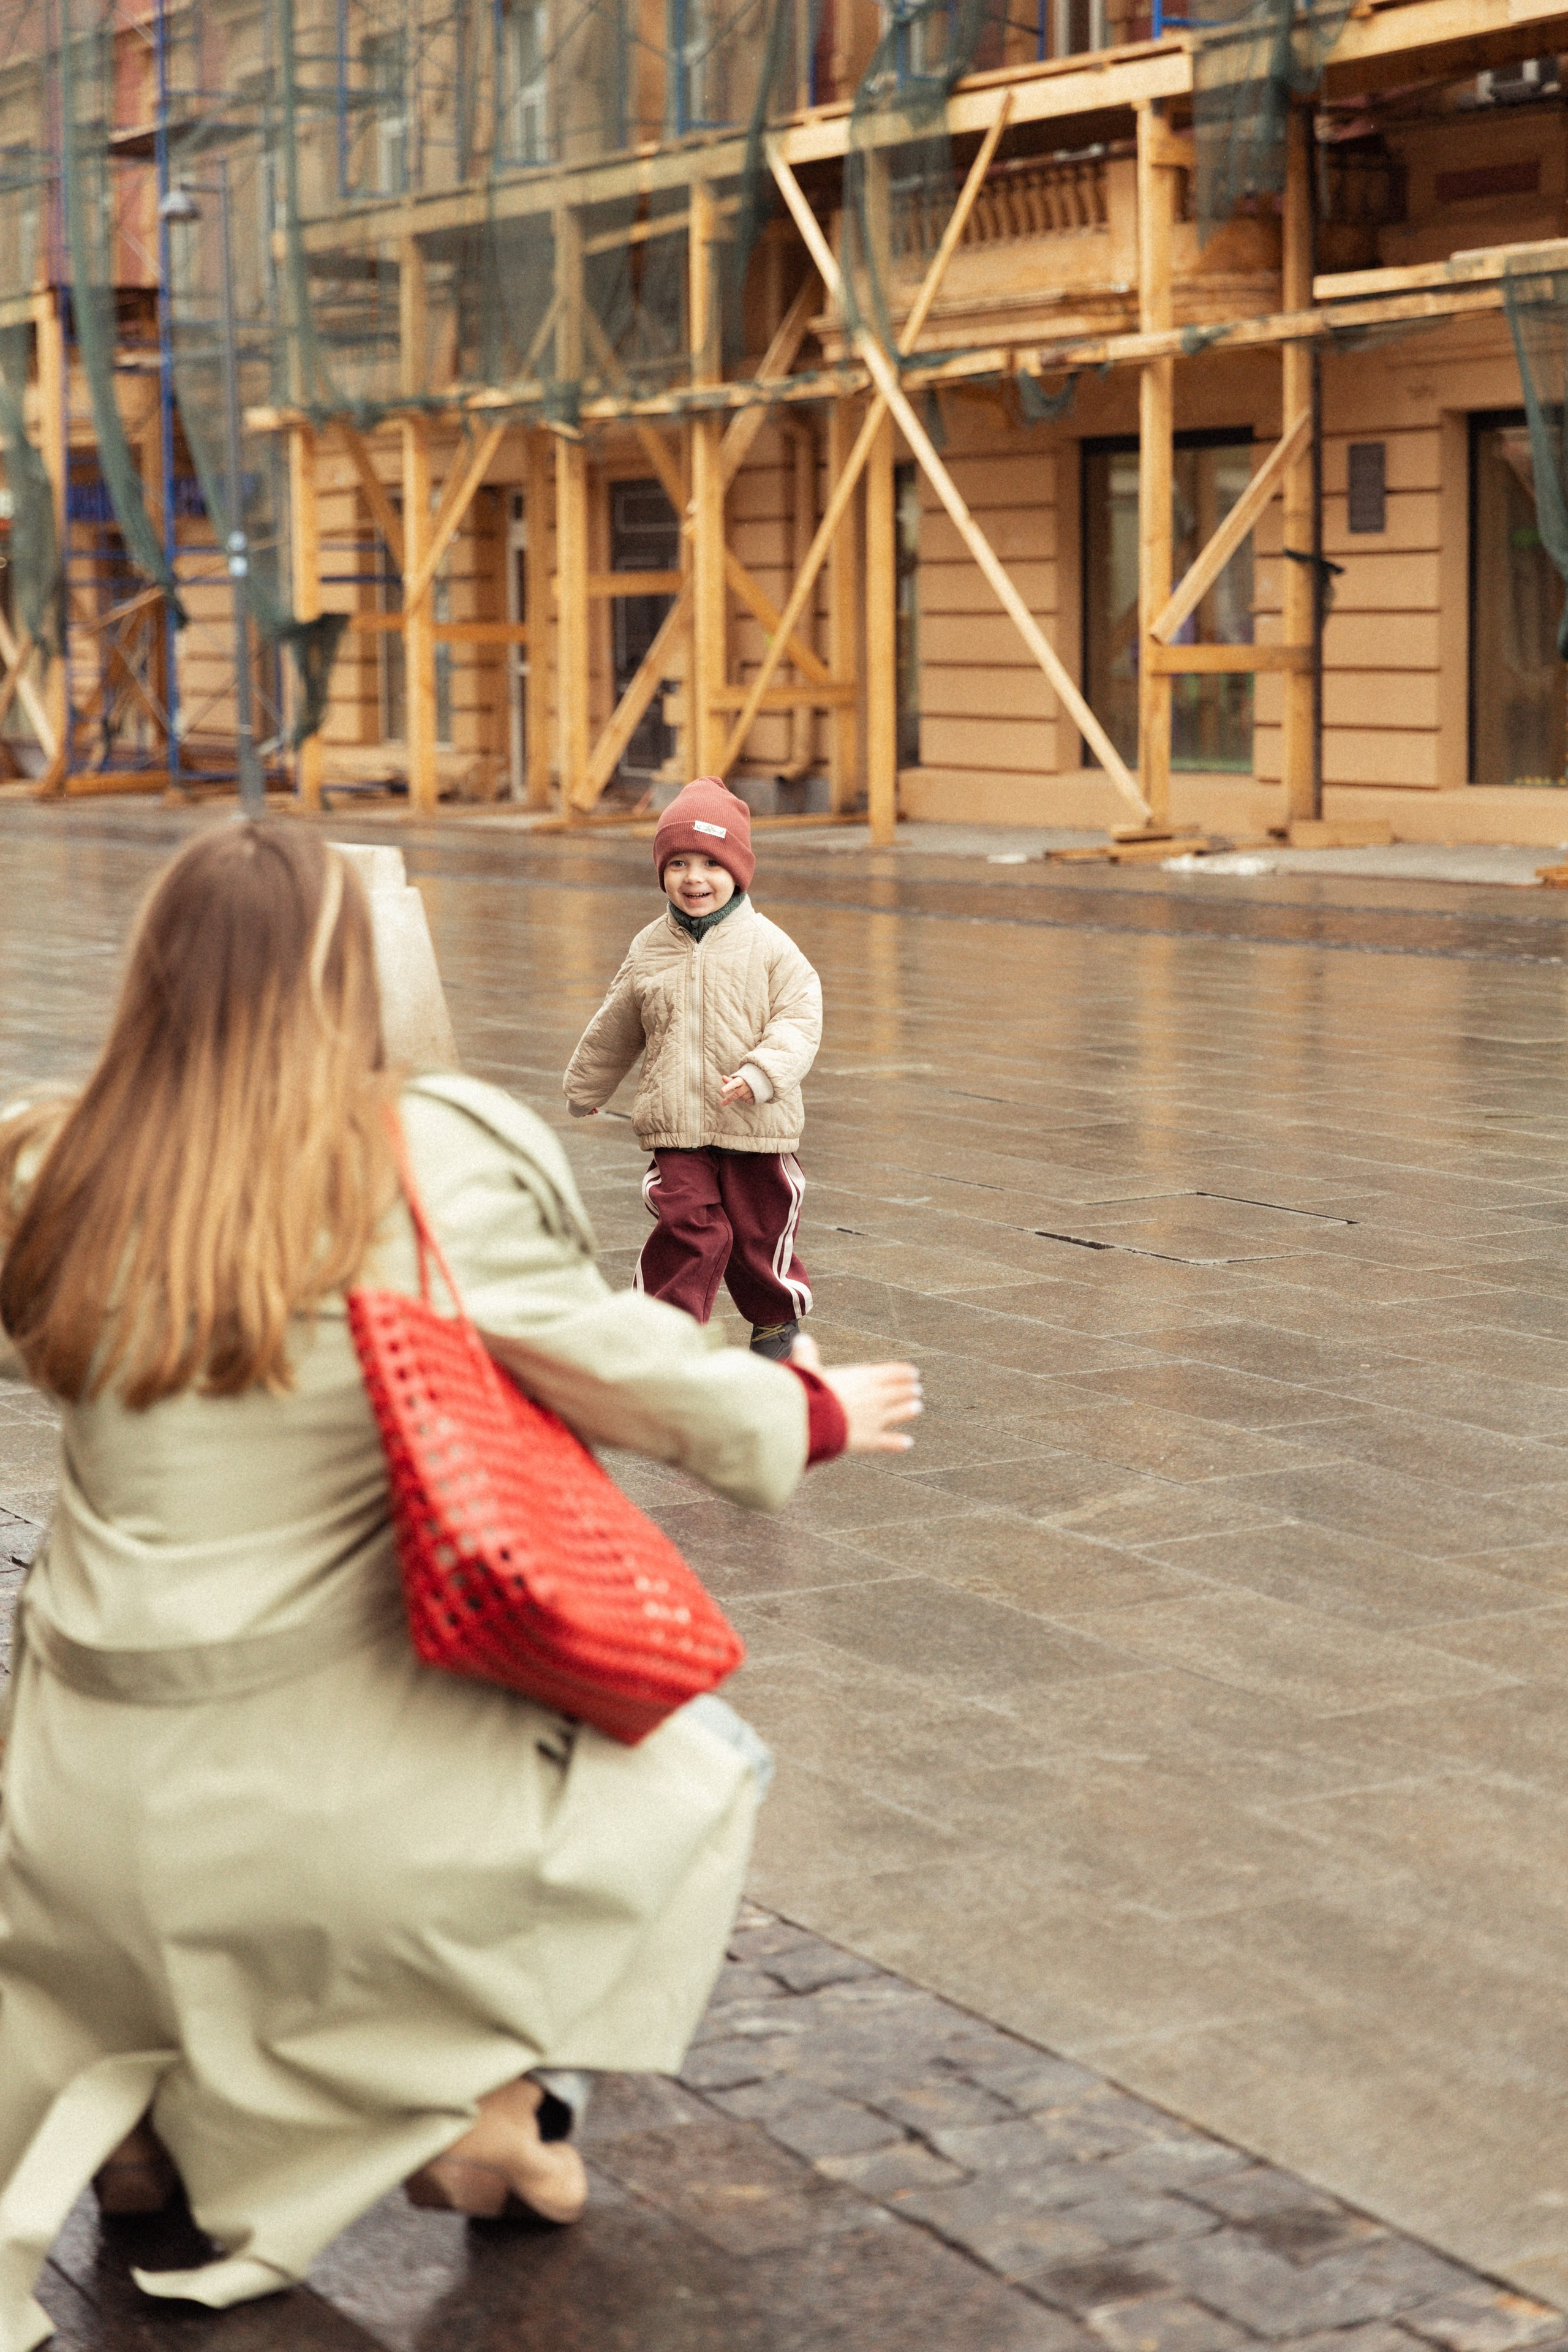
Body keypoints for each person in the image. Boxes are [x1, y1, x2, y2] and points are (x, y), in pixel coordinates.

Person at [0, 822, 919, 2352]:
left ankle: (141, 2134)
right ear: (343, 977)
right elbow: (612, 1360)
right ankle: (492, 2109)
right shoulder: (412, 1158)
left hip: (70, 1792)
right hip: (308, 1768)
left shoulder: (47, 1161)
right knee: (696, 1766)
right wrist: (803, 1408)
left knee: (137, 1890)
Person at [562, 776, 823, 1362]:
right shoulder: (649, 946)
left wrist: (762, 1072)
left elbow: (800, 1018)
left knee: (759, 1232)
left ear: (739, 871)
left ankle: (774, 1320)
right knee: (687, 1225)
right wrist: (587, 1085)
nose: (693, 878)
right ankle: (662, 1332)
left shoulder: (770, 946)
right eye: (677, 863)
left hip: (756, 1125)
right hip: (676, 1123)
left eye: (711, 863)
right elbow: (617, 1021)